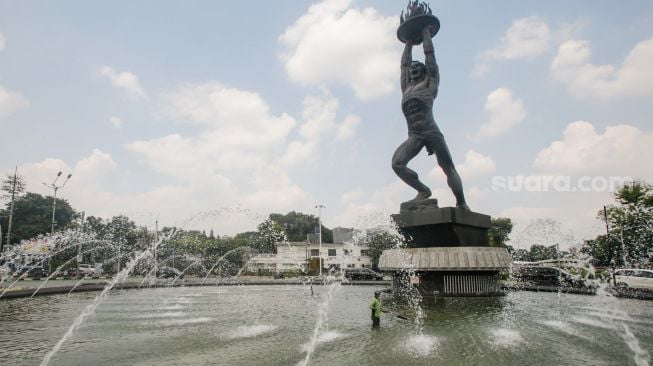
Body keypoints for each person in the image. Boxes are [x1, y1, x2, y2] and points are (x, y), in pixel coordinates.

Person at [392, 25, 470, 211]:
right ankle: (423, 191)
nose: (412, 71)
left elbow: (430, 57)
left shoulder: (429, 84)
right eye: (411, 70)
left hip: (431, 131)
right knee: (397, 164)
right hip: (415, 135)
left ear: (424, 71)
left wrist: (425, 31)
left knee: (447, 167)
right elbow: (404, 64)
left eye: (417, 68)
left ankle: (461, 203)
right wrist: (409, 42)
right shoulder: (406, 89)